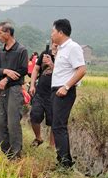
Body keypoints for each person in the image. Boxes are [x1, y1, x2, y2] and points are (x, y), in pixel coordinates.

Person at [50, 18, 86, 168]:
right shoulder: (61, 49)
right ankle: (62, 160)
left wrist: (66, 87)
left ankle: (65, 164)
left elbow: (82, 70)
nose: (51, 34)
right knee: (56, 126)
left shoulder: (73, 47)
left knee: (59, 126)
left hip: (64, 92)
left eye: (53, 31)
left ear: (60, 32)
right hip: (56, 91)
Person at [0, 21, 28, 159]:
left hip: (14, 89)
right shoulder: (0, 51)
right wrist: (6, 71)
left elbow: (23, 70)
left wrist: (6, 79)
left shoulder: (21, 50)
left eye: (0, 33)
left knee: (13, 122)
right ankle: (5, 153)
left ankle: (16, 155)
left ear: (8, 33)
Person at [29, 43, 57, 148]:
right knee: (34, 115)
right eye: (54, 44)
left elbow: (63, 74)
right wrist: (32, 85)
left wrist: (51, 64)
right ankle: (38, 137)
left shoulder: (63, 56)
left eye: (57, 44)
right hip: (40, 91)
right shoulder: (45, 54)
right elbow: (36, 69)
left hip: (54, 94)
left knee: (53, 121)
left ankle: (51, 146)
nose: (55, 46)